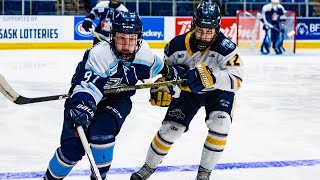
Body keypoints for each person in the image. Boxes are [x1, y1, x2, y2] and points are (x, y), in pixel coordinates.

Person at [42, 11, 186, 180]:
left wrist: (175, 80)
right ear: (112, 37)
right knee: (72, 150)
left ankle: (100, 177)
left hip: (118, 98)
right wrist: (83, 107)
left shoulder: (145, 55)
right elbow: (89, 87)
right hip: (82, 98)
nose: (126, 44)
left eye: (132, 39)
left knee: (102, 134)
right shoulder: (100, 54)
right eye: (121, 38)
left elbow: (167, 71)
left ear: (139, 39)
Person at [131, 1, 244, 180]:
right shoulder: (175, 46)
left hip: (218, 92)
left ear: (217, 28)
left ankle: (204, 174)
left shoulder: (227, 48)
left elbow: (236, 80)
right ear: (193, 25)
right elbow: (169, 78)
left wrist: (212, 78)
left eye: (209, 31)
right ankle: (147, 168)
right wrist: (166, 88)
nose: (204, 36)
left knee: (221, 124)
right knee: (169, 129)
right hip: (188, 93)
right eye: (200, 30)